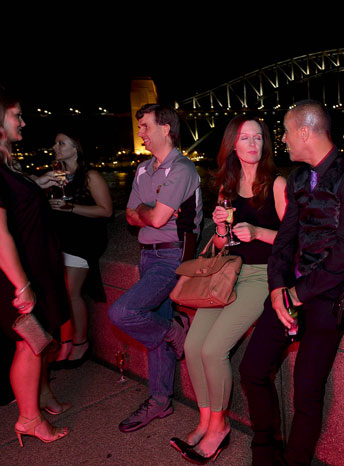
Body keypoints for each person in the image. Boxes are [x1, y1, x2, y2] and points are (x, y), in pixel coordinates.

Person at [238, 100, 344, 466]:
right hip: (292, 290)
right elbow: (286, 239)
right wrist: (277, 289)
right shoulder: (298, 178)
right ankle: (265, 452)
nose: (280, 139)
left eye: (284, 131)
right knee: (251, 370)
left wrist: (296, 294)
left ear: (304, 131)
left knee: (307, 390)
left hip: (328, 298)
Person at [171, 116, 287, 463]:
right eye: (244, 138)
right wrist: (222, 231)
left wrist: (259, 232)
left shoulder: (277, 184)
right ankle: (206, 420)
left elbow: (294, 240)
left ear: (265, 144)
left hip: (262, 275)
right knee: (193, 345)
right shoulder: (227, 186)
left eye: (257, 138)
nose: (252, 144)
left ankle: (219, 427)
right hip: (228, 271)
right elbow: (222, 244)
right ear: (232, 145)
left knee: (214, 349)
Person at [108, 103, 202, 433]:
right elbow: (132, 215)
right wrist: (151, 212)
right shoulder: (143, 170)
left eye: (145, 126)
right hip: (147, 256)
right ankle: (160, 401)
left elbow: (153, 217)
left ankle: (176, 329)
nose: (140, 133)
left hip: (172, 259)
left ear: (166, 128)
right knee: (155, 328)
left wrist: (148, 213)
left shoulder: (183, 169)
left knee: (122, 312)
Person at [0, 89, 70, 445]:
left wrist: (38, 185)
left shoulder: (5, 165)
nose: (23, 122)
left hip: (32, 269)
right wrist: (22, 285)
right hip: (18, 275)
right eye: (16, 115)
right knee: (28, 345)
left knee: (38, 343)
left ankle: (36, 402)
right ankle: (29, 419)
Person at [33, 131, 112, 367]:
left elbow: (106, 211)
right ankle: (66, 342)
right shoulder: (55, 176)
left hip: (83, 240)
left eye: (60, 143)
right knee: (60, 292)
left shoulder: (91, 176)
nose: (54, 147)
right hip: (61, 239)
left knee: (70, 292)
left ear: (75, 148)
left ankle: (80, 344)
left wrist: (70, 208)